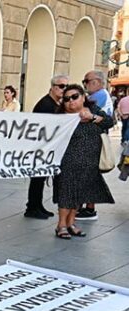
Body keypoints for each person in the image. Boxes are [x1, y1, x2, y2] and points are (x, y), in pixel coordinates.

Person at [53, 84, 114, 239]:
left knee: (80, 195)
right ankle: (61, 225)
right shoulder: (60, 118)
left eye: (74, 97)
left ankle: (71, 223)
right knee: (66, 194)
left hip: (89, 162)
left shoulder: (93, 111)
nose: (70, 101)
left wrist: (92, 118)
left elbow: (109, 122)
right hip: (68, 162)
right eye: (66, 99)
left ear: (83, 97)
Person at [25, 74, 69, 220]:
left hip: (46, 147)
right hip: (40, 147)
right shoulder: (46, 104)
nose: (65, 89)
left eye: (66, 86)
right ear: (53, 87)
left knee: (41, 177)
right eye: (62, 86)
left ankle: (37, 205)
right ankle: (32, 207)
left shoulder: (54, 103)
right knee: (37, 178)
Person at [77, 70, 114, 221]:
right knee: (90, 175)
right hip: (95, 139)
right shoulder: (103, 95)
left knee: (88, 175)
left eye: (86, 81)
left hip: (92, 140)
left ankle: (88, 208)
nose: (84, 84)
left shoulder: (97, 97)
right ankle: (87, 207)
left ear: (97, 82)